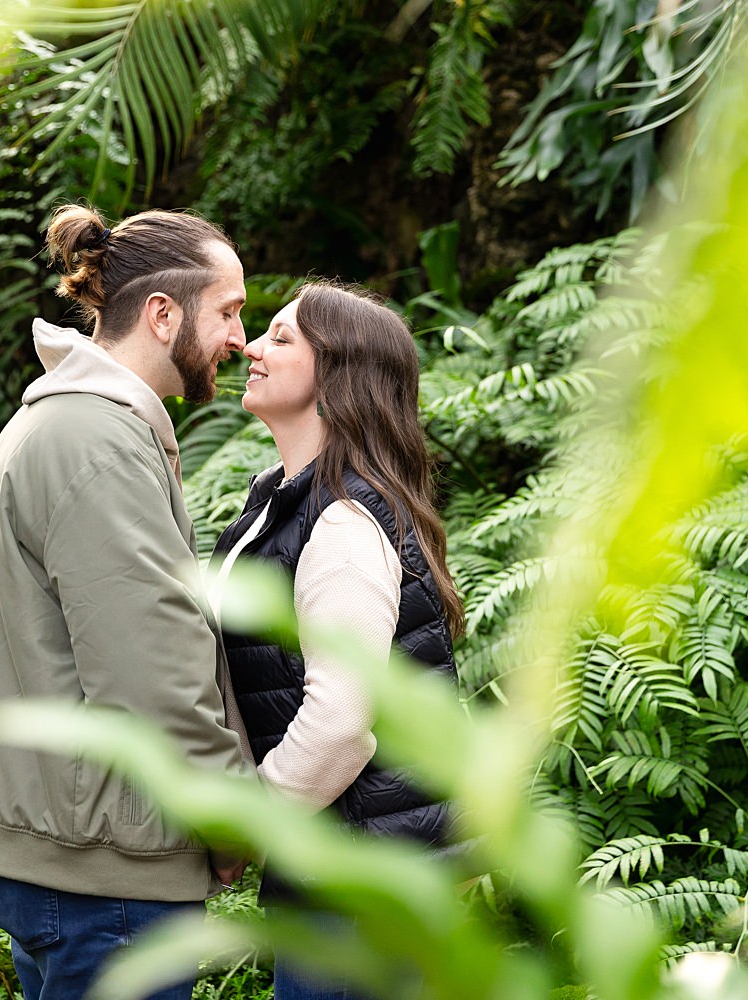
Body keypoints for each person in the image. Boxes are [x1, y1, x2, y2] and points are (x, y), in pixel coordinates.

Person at [0, 204, 252, 1000]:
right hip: (105, 873)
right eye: (229, 311)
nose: (239, 339)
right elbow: (151, 669)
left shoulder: (74, 426)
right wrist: (225, 820)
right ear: (162, 313)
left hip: (72, 854)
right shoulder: (97, 443)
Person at [211, 280, 466, 1000]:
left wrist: (248, 825)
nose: (251, 348)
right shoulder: (284, 497)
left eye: (281, 338)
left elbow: (341, 725)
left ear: (338, 377)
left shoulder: (345, 524)